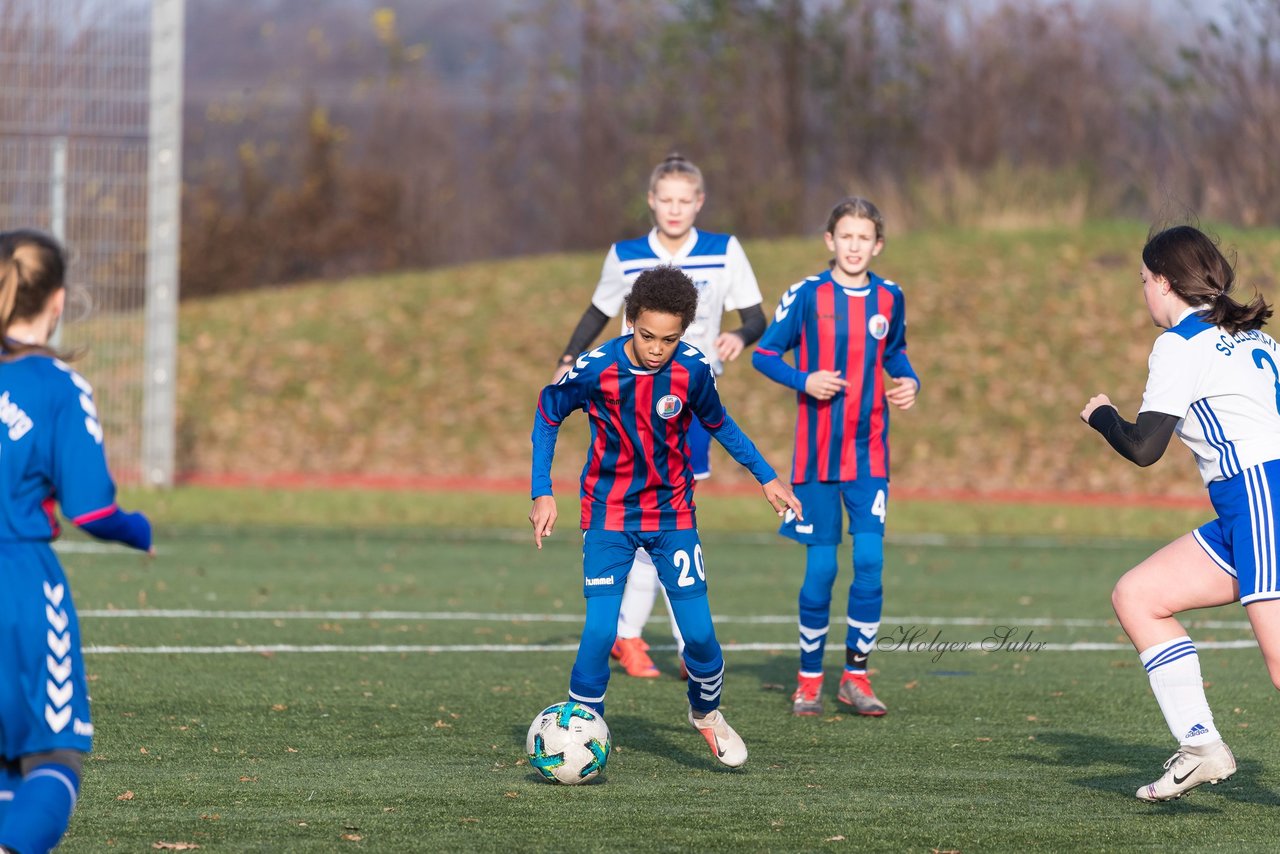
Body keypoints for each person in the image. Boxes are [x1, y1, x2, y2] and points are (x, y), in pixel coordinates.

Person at [531, 265, 801, 768]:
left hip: (673, 513)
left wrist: (766, 476)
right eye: (647, 336)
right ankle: (581, 731)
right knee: (598, 632)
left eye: (669, 339)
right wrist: (541, 492)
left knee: (699, 636)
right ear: (630, 321)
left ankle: (707, 715)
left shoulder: (693, 369)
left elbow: (720, 423)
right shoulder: (595, 369)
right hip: (608, 513)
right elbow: (548, 414)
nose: (657, 348)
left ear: (685, 332)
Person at [1080, 224, 1280, 801]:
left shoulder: (1180, 344)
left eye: (1143, 280)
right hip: (1249, 505)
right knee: (1138, 596)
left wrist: (1102, 417)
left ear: (1164, 282)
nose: (1142, 291)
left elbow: (1144, 448)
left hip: (1259, 498)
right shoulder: (1256, 341)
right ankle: (1201, 747)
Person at [554, 153, 767, 680]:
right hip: (630, 404)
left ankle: (650, 637)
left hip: (689, 404)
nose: (674, 209)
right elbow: (599, 312)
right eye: (664, 199)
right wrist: (568, 357)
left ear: (699, 203)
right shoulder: (626, 256)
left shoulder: (723, 251)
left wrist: (738, 336)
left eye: (684, 200)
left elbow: (755, 317)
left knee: (669, 520)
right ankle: (633, 637)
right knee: (650, 514)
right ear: (651, 201)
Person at [0, 230, 153, 852]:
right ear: (58, 301)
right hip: (19, 583)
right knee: (53, 752)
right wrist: (138, 530)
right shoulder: (59, 387)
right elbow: (92, 510)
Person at [752, 197, 919, 717]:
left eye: (863, 238)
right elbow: (764, 354)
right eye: (845, 236)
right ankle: (808, 679)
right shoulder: (805, 295)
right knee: (821, 569)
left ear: (878, 245)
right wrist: (805, 379)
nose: (853, 246)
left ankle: (855, 676)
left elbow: (894, 351)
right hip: (815, 461)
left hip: (869, 456)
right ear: (830, 240)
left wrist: (908, 379)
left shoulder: (890, 297)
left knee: (869, 562)